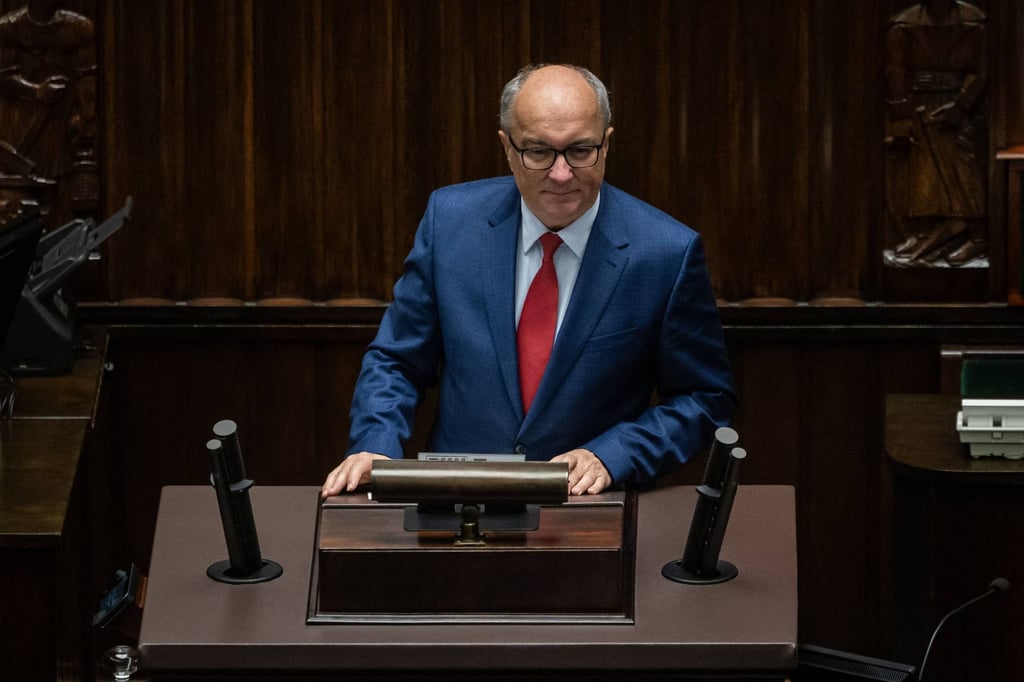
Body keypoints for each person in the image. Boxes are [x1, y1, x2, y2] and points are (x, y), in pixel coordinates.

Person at [321, 64, 736, 498]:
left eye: (580, 150)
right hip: (456, 505)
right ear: (507, 147)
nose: (561, 174)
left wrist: (614, 454)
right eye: (538, 152)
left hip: (587, 514)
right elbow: (396, 360)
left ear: (607, 144)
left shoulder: (667, 253)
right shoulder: (450, 223)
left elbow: (704, 399)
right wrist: (377, 446)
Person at [885, 0, 987, 266]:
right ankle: (926, 231)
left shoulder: (973, 21)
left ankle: (974, 236)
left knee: (962, 166)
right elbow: (895, 72)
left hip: (958, 106)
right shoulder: (903, 25)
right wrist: (901, 115)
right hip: (919, 104)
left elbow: (982, 70)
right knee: (922, 171)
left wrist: (961, 105)